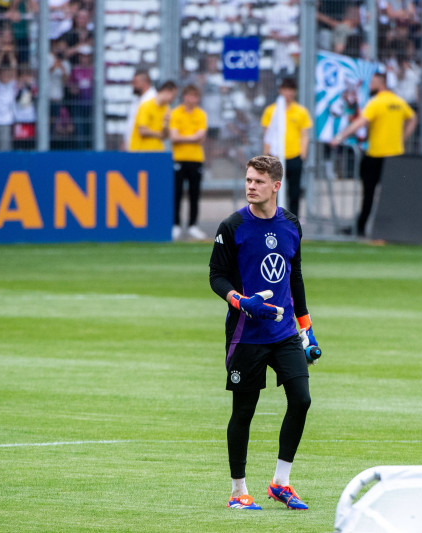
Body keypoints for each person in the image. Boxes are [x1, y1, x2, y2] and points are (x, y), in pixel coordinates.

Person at [208, 155, 318, 512]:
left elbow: (294, 277)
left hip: (284, 332)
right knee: (244, 411)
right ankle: (238, 491)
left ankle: (281, 483)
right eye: (248, 180)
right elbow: (216, 277)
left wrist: (307, 330)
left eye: (258, 181)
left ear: (276, 186)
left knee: (301, 399)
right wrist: (242, 302)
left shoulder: (291, 224)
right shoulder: (232, 225)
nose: (250, 186)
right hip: (247, 334)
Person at [330, 72, 417, 237]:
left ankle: (361, 227)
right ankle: (390, 229)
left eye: (373, 83)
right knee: (392, 195)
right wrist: (403, 138)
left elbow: (360, 122)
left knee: (368, 193)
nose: (370, 86)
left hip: (376, 154)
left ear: (380, 83)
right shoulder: (398, 101)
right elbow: (413, 118)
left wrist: (340, 137)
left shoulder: (376, 102)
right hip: (395, 154)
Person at [261, 77, 312, 217]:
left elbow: (304, 135)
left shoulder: (300, 111)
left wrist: (303, 154)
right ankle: (274, 217)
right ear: (280, 91)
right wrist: (266, 156)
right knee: (274, 190)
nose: (288, 93)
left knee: (294, 190)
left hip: (294, 155)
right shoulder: (271, 111)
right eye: (286, 90)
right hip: (275, 157)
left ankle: (293, 218)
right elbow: (267, 135)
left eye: (291, 90)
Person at [169, 84, 208, 241]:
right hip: (178, 158)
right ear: (184, 96)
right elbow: (173, 137)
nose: (192, 99)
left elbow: (201, 137)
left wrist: (183, 137)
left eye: (195, 96)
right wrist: (192, 137)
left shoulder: (201, 114)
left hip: (196, 159)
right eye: (189, 96)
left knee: (194, 193)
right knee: (176, 193)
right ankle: (176, 225)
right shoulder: (176, 113)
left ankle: (193, 225)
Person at [127, 80, 176, 152]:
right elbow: (142, 130)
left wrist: (166, 124)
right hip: (140, 151)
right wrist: (159, 134)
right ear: (167, 91)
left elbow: (165, 135)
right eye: (173, 96)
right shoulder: (146, 106)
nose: (173, 99)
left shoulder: (167, 109)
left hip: (157, 151)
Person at [124, 69, 156, 151]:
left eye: (135, 82)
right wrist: (126, 141)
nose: (133, 85)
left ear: (145, 83)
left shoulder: (153, 100)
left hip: (146, 148)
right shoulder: (137, 99)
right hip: (133, 146)